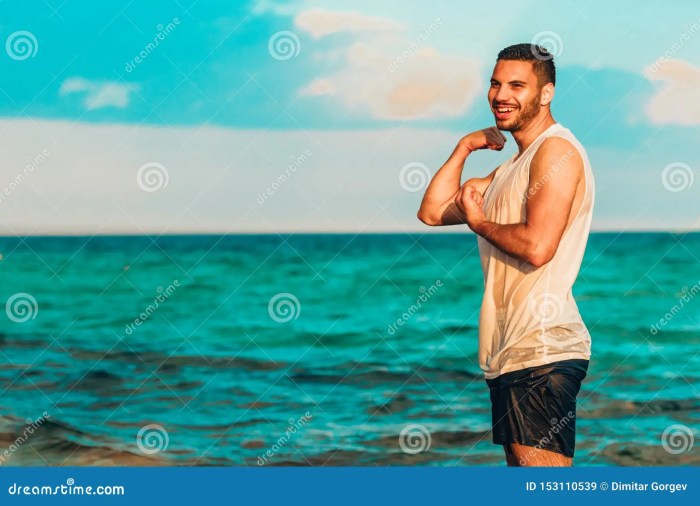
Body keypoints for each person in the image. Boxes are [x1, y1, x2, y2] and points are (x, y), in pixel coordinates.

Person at [417, 43, 595, 467]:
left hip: (543, 346)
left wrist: (480, 224)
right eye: (496, 84)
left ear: (546, 93)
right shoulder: (512, 167)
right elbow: (432, 211)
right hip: (510, 351)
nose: (501, 95)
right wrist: (464, 148)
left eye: (517, 85)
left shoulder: (556, 152)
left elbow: (537, 247)